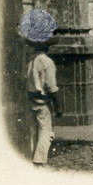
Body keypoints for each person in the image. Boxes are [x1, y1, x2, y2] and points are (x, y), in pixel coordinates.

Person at [24, 35, 63, 165]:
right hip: (43, 102)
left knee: (33, 131)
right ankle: (39, 160)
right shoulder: (47, 62)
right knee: (46, 131)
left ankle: (31, 157)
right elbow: (51, 86)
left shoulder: (30, 62)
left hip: (30, 100)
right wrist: (58, 106)